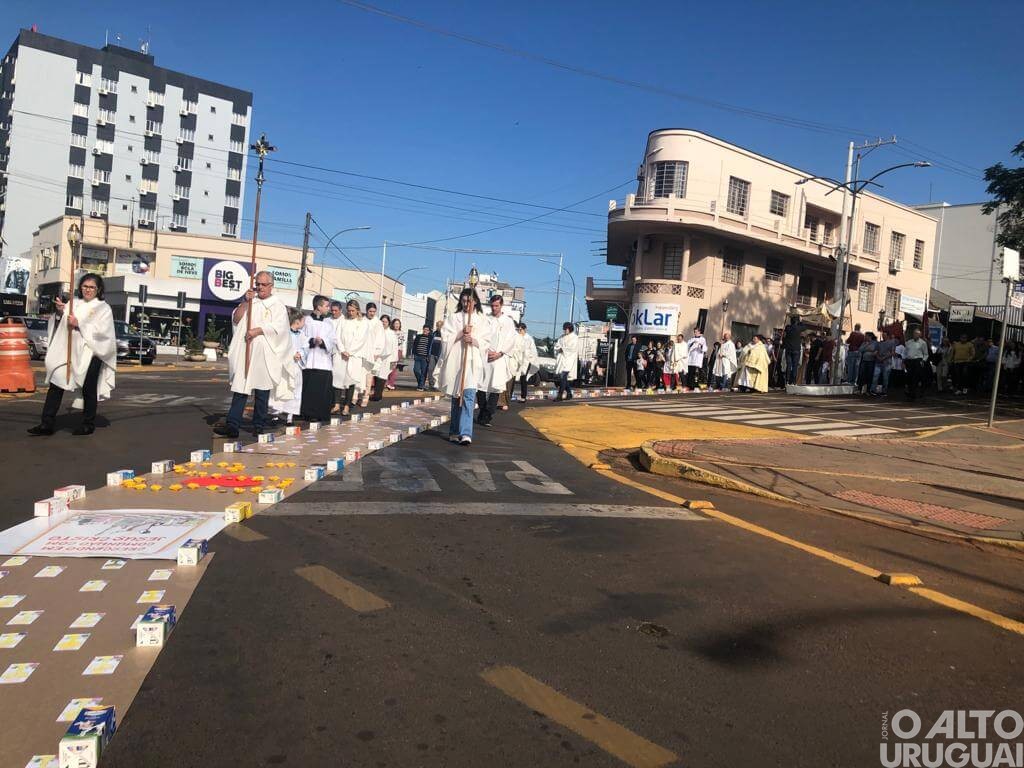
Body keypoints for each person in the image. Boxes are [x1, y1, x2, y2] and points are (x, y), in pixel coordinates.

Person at [29, 273, 117, 436]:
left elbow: (104, 334)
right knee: (56, 383)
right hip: (69, 351)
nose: (88, 290)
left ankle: (87, 424)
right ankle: (46, 424)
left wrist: (80, 324)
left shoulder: (103, 308)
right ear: (80, 287)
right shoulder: (73, 303)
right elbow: (63, 324)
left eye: (92, 287)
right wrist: (62, 312)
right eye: (85, 286)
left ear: (98, 289)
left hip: (91, 353)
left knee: (88, 389)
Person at [216, 271, 292, 438]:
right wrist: (245, 302)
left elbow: (281, 328)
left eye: (263, 284)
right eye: (257, 284)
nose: (260, 287)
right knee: (241, 388)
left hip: (265, 352)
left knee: (262, 390)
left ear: (271, 286)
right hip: (247, 349)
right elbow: (236, 319)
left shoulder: (277, 304)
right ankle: (233, 424)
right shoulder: (252, 301)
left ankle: (258, 425)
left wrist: (259, 330)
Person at [439, 287, 491, 445]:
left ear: (475, 302)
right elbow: (445, 339)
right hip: (456, 363)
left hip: (472, 364)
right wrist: (461, 333)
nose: (466, 304)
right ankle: (454, 430)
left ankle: (466, 433)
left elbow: (487, 341)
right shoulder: (454, 318)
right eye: (463, 300)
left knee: (468, 397)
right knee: (456, 399)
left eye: (469, 301)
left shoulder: (482, 320)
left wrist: (473, 340)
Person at [477, 294, 517, 426]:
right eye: (492, 306)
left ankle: (487, 415)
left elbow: (511, 340)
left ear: (501, 305)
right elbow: (480, 336)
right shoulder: (485, 319)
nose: (494, 308)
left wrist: (500, 353)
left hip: (499, 358)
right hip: (485, 356)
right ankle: (483, 411)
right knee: (480, 386)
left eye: (496, 306)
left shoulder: (508, 321)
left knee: (495, 387)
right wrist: (486, 350)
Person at [299, 295, 335, 422]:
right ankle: (307, 413)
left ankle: (321, 413)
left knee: (323, 389)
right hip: (310, 360)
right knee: (309, 388)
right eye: (326, 306)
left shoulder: (329, 322)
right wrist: (312, 341)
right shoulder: (306, 320)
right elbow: (301, 337)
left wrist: (324, 342)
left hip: (324, 361)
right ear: (318, 307)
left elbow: (332, 339)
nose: (328, 308)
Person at [332, 299, 370, 417]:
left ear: (357, 310)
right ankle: (337, 404)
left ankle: (347, 406)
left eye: (353, 311)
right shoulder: (343, 321)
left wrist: (350, 351)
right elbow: (337, 336)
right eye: (349, 311)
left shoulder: (362, 322)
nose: (351, 313)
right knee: (338, 379)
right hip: (341, 354)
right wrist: (342, 350)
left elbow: (361, 340)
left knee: (351, 380)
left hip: (354, 356)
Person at [271, 309, 306, 425]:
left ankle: (290, 415)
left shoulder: (302, 335)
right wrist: (291, 355)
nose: (304, 323)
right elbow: (280, 347)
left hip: (296, 366)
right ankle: (276, 412)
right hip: (285, 365)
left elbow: (305, 347)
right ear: (297, 321)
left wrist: (300, 354)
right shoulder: (285, 333)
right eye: (303, 321)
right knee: (282, 387)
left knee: (295, 389)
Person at [370, 314, 396, 402]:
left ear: (389, 323)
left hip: (387, 358)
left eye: (386, 322)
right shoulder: (376, 331)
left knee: (382, 376)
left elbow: (395, 348)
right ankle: (377, 394)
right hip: (376, 357)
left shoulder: (392, 333)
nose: (384, 323)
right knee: (376, 375)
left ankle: (377, 395)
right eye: (382, 321)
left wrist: (394, 361)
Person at [554, 321, 579, 400]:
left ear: (570, 329)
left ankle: (560, 395)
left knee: (563, 376)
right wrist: (559, 348)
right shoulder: (562, 337)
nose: (565, 331)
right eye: (564, 329)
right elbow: (557, 345)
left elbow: (573, 349)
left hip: (569, 360)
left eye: (566, 329)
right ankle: (569, 393)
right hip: (562, 359)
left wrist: (563, 349)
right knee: (563, 378)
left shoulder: (575, 337)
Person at [903, 328, 929, 400]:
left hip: (917, 361)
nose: (915, 335)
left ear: (920, 335)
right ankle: (910, 391)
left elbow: (926, 354)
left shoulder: (923, 343)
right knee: (908, 377)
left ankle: (912, 394)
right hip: (909, 361)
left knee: (915, 378)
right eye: (914, 333)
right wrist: (904, 361)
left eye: (917, 334)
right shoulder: (909, 342)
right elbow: (905, 352)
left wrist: (923, 361)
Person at [872, 330, 896, 396]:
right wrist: (878, 357)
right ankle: (873, 390)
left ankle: (884, 391)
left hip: (887, 362)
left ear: (887, 336)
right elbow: (875, 352)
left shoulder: (891, 343)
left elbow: (892, 353)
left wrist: (884, 358)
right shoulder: (879, 343)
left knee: (885, 378)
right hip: (878, 362)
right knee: (875, 376)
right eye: (882, 335)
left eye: (884, 335)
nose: (883, 336)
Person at [411, 324, 433, 391]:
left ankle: (420, 386)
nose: (425, 331)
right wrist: (413, 354)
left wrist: (429, 356)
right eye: (424, 329)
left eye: (427, 330)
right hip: (417, 356)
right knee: (416, 370)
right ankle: (421, 383)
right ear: (423, 329)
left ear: (429, 331)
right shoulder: (418, 336)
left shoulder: (431, 338)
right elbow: (414, 345)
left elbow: (431, 347)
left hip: (425, 358)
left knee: (424, 372)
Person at [782, 317, 802, 384]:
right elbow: (805, 327)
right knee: (794, 366)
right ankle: (793, 381)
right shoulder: (798, 328)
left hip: (789, 349)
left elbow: (784, 335)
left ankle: (787, 381)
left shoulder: (788, 327)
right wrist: (800, 321)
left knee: (789, 365)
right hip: (796, 349)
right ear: (796, 322)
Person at [386, 317, 404, 390]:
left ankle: (390, 383)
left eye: (398, 324)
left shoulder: (401, 333)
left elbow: (399, 343)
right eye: (395, 323)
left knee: (393, 368)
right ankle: (387, 383)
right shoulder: (389, 331)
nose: (397, 325)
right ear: (392, 324)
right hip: (389, 351)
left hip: (397, 351)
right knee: (387, 367)